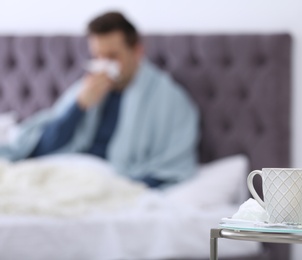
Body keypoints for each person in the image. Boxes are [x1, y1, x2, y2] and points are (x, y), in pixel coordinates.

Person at [0, 11, 199, 188]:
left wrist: (122, 188)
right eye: (98, 56)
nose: (105, 65)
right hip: (67, 171)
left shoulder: (168, 99)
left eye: (113, 57)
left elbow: (172, 167)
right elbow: (41, 149)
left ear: (137, 51)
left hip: (111, 181)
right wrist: (78, 107)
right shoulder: (84, 89)